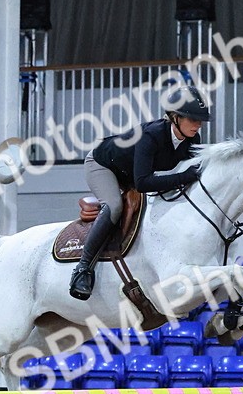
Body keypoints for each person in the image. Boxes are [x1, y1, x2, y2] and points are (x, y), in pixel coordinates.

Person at [69, 84, 211, 300]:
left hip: (131, 173)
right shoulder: (151, 136)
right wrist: (184, 177)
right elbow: (144, 183)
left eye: (200, 120)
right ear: (175, 117)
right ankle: (82, 268)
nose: (198, 124)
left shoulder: (192, 141)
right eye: (193, 119)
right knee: (115, 206)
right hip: (103, 166)